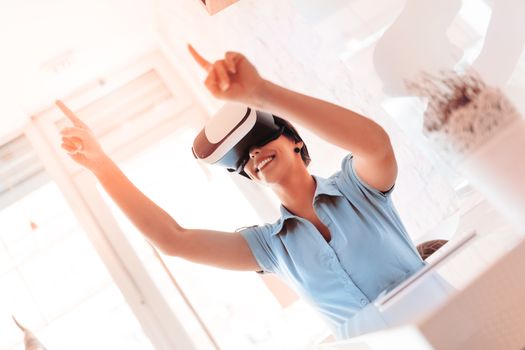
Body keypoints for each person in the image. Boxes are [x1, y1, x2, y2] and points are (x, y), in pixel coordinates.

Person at [57, 45, 425, 340]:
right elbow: (173, 240)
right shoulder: (272, 248)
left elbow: (376, 145)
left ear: (296, 142)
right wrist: (100, 165)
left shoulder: (358, 190)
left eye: (261, 139)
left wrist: (261, 93)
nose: (253, 155)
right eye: (242, 159)